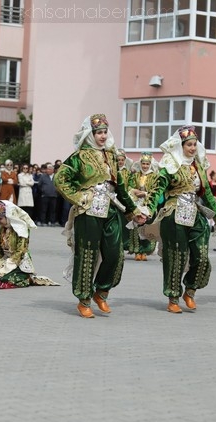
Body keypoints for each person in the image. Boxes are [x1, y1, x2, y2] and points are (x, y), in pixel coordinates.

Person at [54, 114, 146, 318]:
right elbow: (60, 179)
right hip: (88, 211)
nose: (103, 136)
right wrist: (79, 197)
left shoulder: (111, 156)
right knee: (87, 255)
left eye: (105, 132)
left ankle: (102, 291)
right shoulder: (79, 157)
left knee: (115, 254)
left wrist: (134, 211)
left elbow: (120, 187)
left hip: (111, 209)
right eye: (98, 132)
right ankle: (83, 299)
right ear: (90, 134)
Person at [144, 125, 216, 313]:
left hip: (195, 214)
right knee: (176, 257)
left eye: (195, 144)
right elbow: (157, 190)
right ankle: (173, 297)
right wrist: (146, 209)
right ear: (180, 146)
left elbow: (209, 196)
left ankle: (190, 290)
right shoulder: (169, 165)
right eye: (189, 144)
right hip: (174, 214)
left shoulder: (198, 167)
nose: (193, 148)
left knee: (202, 256)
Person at [0, 200, 58, 288]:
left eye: (0, 218)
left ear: (8, 217)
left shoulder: (21, 229)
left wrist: (9, 263)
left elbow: (21, 251)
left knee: (2, 278)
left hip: (19, 261)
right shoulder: (2, 229)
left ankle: (26, 277)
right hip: (6, 260)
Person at [126, 152, 158, 261]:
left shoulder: (154, 176)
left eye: (147, 164)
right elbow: (129, 186)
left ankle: (145, 250)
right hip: (136, 203)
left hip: (148, 203)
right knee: (135, 227)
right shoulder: (135, 175)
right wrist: (135, 191)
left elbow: (156, 190)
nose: (145, 166)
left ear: (150, 164)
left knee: (146, 227)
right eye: (143, 163)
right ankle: (136, 250)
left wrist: (145, 193)